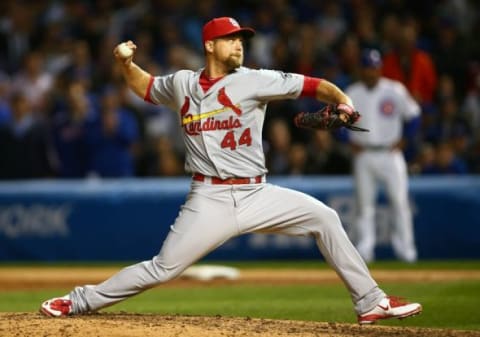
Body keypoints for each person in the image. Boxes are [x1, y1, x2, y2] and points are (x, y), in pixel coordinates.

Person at [40, 17, 422, 324]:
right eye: (230, 38)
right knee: (162, 268)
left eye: (241, 38)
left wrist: (343, 100)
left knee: (324, 217)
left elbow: (315, 85)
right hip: (209, 198)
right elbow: (146, 87)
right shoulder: (183, 84)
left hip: (258, 193)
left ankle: (371, 302)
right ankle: (78, 301)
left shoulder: (256, 79)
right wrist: (125, 63)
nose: (239, 44)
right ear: (210, 45)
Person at [346, 49, 420, 263]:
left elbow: (414, 116)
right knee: (364, 205)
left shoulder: (394, 90)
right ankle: (365, 251)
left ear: (380, 69)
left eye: (374, 67)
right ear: (361, 70)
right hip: (364, 154)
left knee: (399, 202)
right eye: (367, 68)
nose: (371, 72)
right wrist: (348, 141)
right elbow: (339, 120)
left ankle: (407, 253)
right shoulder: (353, 92)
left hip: (390, 153)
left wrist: (406, 140)